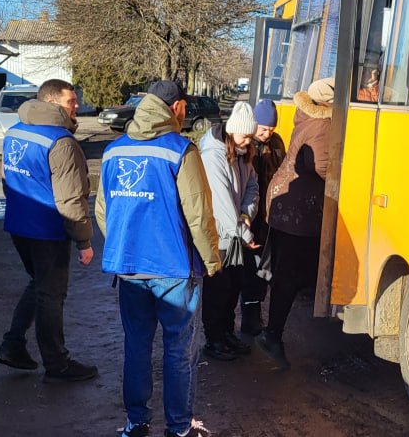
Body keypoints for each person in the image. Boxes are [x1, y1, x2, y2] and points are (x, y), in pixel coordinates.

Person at [96, 80, 220, 437]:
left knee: (136, 346)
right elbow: (199, 215)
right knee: (178, 350)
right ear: (176, 107)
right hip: (174, 269)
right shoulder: (181, 150)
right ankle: (178, 427)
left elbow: (103, 211)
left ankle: (136, 422)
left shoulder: (114, 151)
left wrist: (126, 244)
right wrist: (212, 260)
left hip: (130, 268)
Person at [0, 78, 98, 383]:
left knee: (39, 284)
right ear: (52, 103)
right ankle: (57, 364)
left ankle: (13, 344)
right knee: (51, 295)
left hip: (19, 225)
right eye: (71, 101)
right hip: (48, 231)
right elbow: (71, 198)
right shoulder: (61, 142)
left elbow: (7, 180)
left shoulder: (15, 132)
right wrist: (84, 241)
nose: (77, 106)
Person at [254, 77, 333, 370]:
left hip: (288, 208)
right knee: (288, 275)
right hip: (297, 212)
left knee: (288, 273)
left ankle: (270, 332)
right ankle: (271, 335)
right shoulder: (323, 124)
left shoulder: (307, 117)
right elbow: (320, 165)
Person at [199, 102, 260, 361]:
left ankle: (226, 333)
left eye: (250, 136)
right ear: (232, 130)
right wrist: (246, 235)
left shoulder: (243, 154)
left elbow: (253, 187)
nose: (248, 140)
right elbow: (221, 205)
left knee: (233, 286)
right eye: (244, 135)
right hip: (218, 236)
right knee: (217, 289)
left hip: (235, 234)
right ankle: (213, 339)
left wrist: (246, 214)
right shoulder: (213, 156)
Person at [242, 99, 286, 336]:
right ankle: (248, 318)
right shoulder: (246, 143)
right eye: (263, 128)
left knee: (264, 268)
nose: (267, 133)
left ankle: (255, 313)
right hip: (251, 215)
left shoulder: (276, 143)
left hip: (270, 216)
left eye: (271, 129)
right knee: (249, 269)